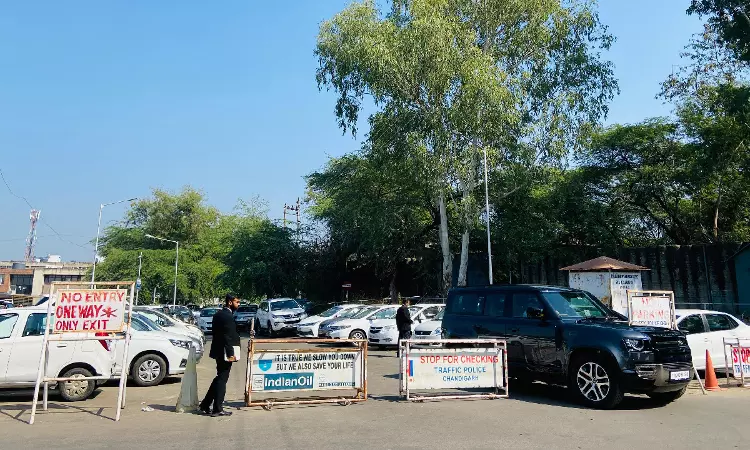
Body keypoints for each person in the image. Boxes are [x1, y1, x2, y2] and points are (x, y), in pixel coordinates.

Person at [199, 293, 241, 417]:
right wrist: (231, 354)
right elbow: (227, 336)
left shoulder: (219, 314)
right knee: (222, 380)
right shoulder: (227, 316)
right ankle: (217, 408)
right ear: (230, 302)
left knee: (219, 378)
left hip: (218, 350)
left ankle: (205, 404)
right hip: (225, 352)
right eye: (237, 302)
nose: (238, 304)